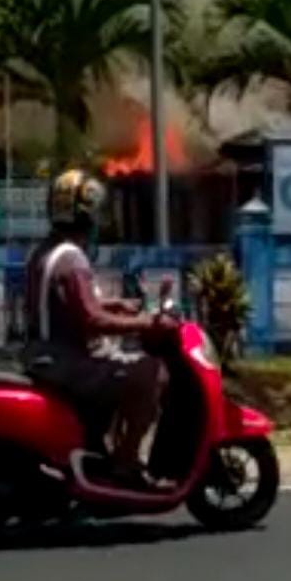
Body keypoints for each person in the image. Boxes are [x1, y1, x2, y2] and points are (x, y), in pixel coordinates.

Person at [22, 168, 174, 488]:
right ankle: (126, 462)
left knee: (121, 365)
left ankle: (99, 444)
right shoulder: (73, 259)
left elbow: (68, 306)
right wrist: (145, 322)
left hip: (44, 355)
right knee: (151, 373)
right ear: (89, 216)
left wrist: (116, 305)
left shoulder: (46, 251)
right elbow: (92, 320)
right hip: (65, 362)